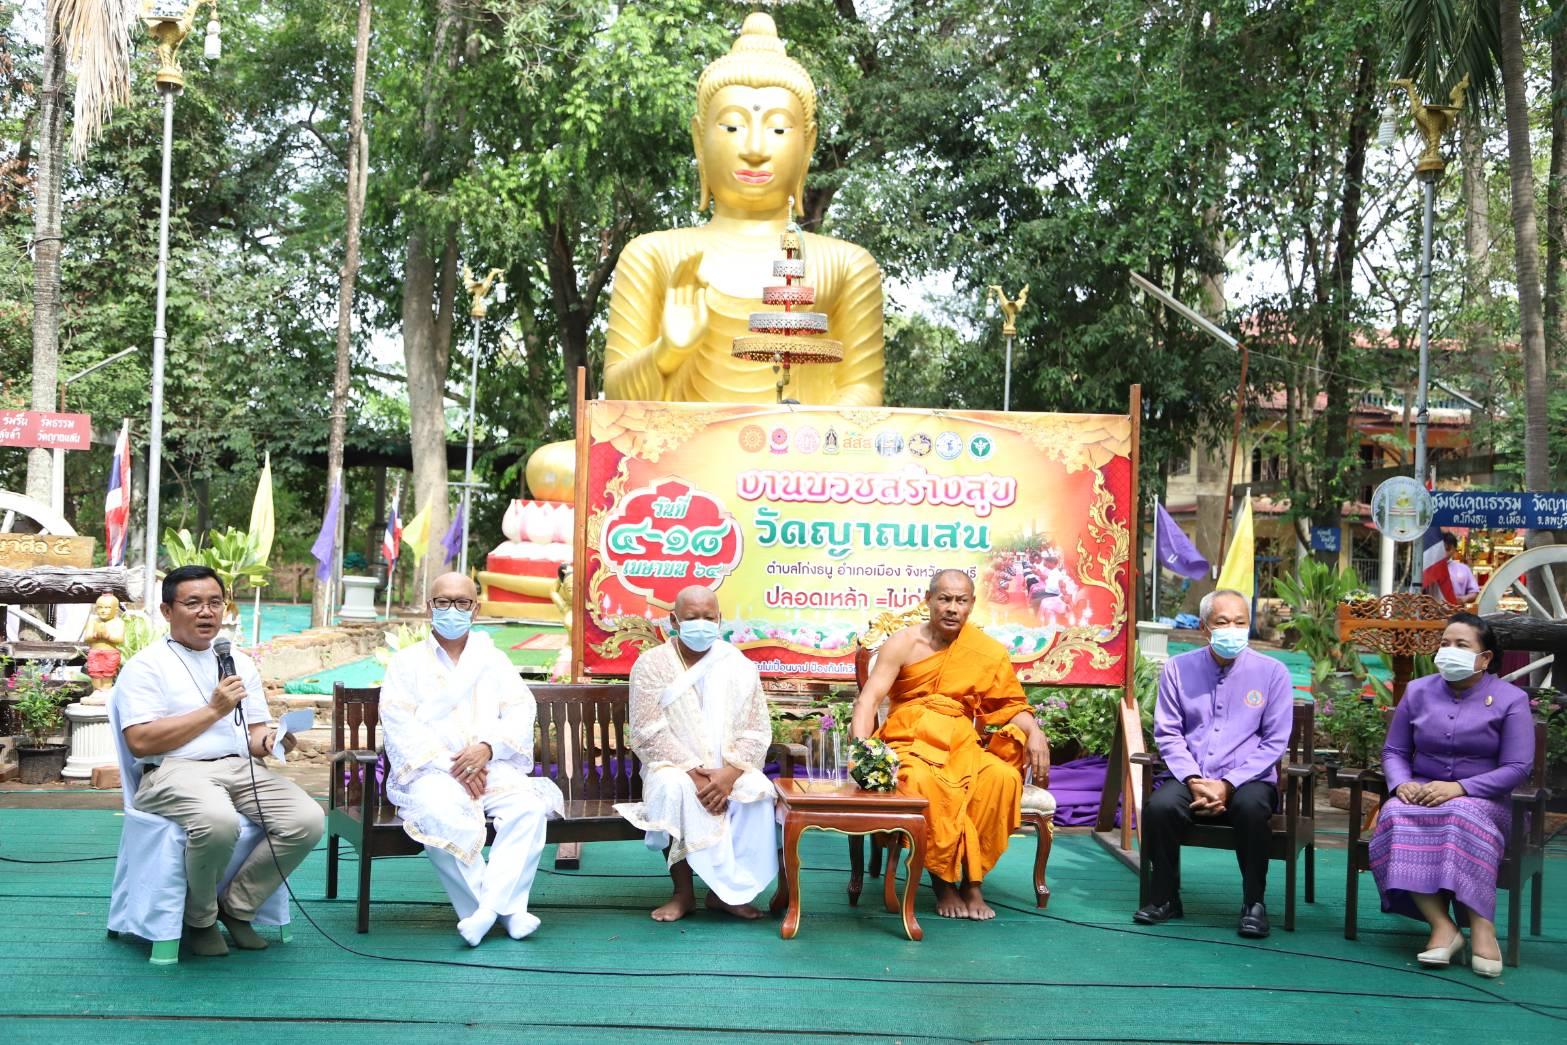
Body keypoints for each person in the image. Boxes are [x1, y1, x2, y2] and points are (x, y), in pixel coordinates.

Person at [116, 565, 324, 958]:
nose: (207, 612)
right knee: (217, 821)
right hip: (172, 770)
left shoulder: (237, 661)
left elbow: (254, 733)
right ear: (167, 611)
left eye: (215, 603)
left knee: (307, 820)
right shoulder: (146, 666)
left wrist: (273, 741)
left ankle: (238, 906)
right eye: (193, 603)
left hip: (240, 768)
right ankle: (200, 920)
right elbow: (140, 742)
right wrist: (213, 710)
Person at [850, 569, 1051, 920]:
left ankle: (973, 882)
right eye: (944, 599)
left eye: (961, 601)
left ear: (971, 605)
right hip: (910, 741)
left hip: (961, 744)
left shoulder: (985, 651)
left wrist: (1035, 731)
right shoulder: (903, 643)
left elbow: (1010, 706)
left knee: (1001, 778)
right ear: (929, 600)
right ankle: (943, 881)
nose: (952, 608)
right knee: (921, 781)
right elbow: (868, 701)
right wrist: (863, 751)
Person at [378, 572, 564, 946]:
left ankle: (486, 914)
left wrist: (488, 748)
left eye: (462, 602)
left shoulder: (492, 660)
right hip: (432, 770)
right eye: (443, 602)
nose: (453, 610)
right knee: (437, 813)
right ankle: (505, 911)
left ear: (475, 610)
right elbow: (398, 722)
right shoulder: (406, 663)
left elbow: (520, 710)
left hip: (489, 764)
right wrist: (455, 765)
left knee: (528, 808)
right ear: (429, 607)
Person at [1368, 612, 1533, 978]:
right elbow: (1394, 751)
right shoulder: (1418, 691)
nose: (1449, 651)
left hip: (1487, 803)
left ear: (1485, 657)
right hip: (1423, 795)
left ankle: (1482, 926)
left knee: (1460, 815)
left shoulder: (1511, 699)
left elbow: (1517, 767)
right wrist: (1402, 783)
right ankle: (1442, 926)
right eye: (1444, 643)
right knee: (1394, 813)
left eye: (1461, 645)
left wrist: (1461, 788)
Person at [1135, 588, 1293, 938]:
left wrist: (1228, 784)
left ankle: (1254, 904)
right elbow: (1168, 733)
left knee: (1252, 808)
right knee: (1160, 807)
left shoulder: (1273, 673)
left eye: (1240, 622)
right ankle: (1165, 897)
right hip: (1191, 775)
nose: (1232, 629)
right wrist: (1193, 779)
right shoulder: (1178, 669)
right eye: (1222, 622)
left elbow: (1274, 742)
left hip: (1249, 779)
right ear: (1204, 627)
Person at [616, 586, 778, 922]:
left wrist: (729, 774)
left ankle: (727, 894)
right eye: (692, 617)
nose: (701, 624)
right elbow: (647, 730)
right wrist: (694, 773)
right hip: (671, 766)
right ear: (674, 620)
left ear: (719, 619)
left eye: (708, 617)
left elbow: (757, 730)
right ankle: (683, 893)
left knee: (759, 790)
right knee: (673, 789)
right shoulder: (652, 664)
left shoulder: (738, 665)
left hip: (731, 766)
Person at [1442, 532, 1481, 602]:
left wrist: (1464, 598)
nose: (1445, 553)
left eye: (1448, 549)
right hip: (1433, 607)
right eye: (1442, 549)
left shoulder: (1464, 569)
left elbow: (1474, 592)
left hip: (1457, 607)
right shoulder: (1429, 568)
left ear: (1454, 549)